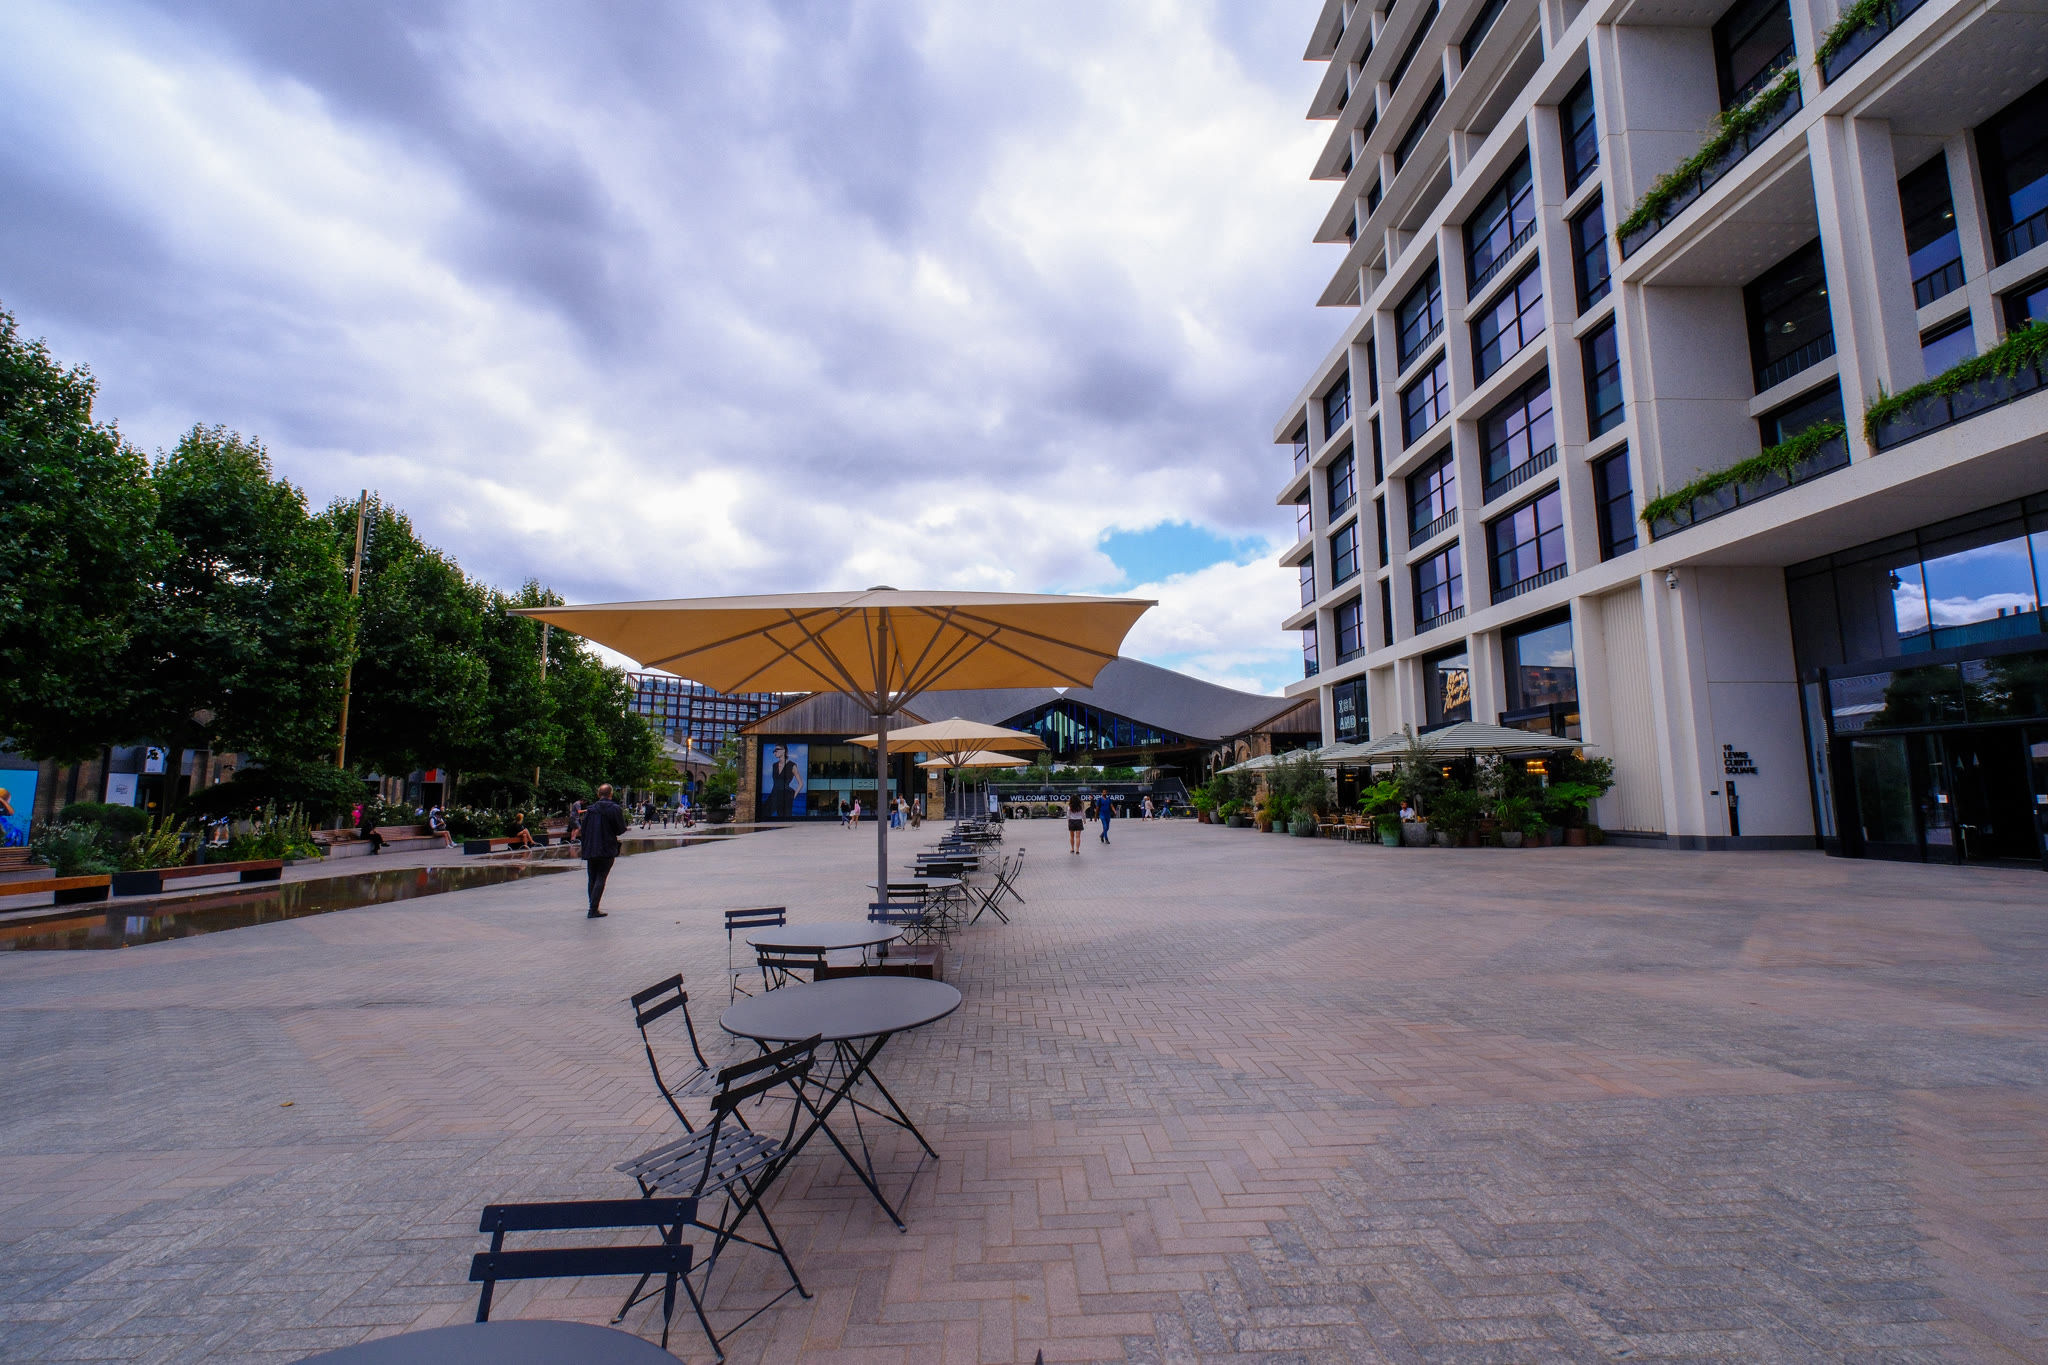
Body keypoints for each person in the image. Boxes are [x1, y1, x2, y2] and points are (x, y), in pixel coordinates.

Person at [579, 783, 628, 918]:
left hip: (591, 848)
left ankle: (592, 906)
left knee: (592, 878)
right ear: (611, 794)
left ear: (598, 794)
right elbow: (620, 829)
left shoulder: (590, 810)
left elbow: (584, 829)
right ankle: (593, 909)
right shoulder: (615, 809)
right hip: (607, 847)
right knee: (601, 877)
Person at [766, 744, 800, 819]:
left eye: (777, 750)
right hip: (774, 794)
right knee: (765, 812)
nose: (775, 752)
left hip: (787, 795)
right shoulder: (774, 765)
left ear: (784, 750)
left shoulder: (792, 765)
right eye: (774, 751)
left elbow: (801, 784)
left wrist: (793, 797)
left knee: (785, 817)